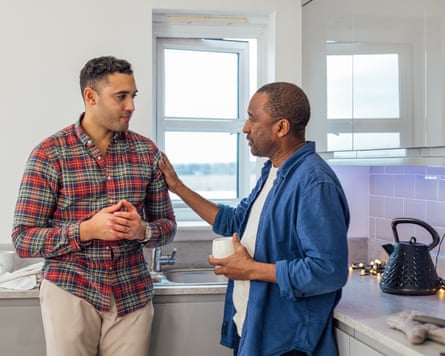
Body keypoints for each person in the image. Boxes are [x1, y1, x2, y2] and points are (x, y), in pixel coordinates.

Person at [159, 82, 350, 356]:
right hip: (253, 333)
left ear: (281, 128)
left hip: (287, 345)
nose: (245, 128)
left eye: (253, 118)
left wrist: (250, 270)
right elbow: (234, 221)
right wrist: (177, 187)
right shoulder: (272, 173)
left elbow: (328, 272)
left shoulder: (314, 183)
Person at [11, 56, 176, 356]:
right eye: (121, 97)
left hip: (132, 295)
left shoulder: (146, 152)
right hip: (71, 290)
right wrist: (86, 230)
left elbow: (167, 226)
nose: (131, 106)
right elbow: (23, 239)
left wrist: (142, 231)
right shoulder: (50, 154)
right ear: (91, 96)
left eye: (133, 96)